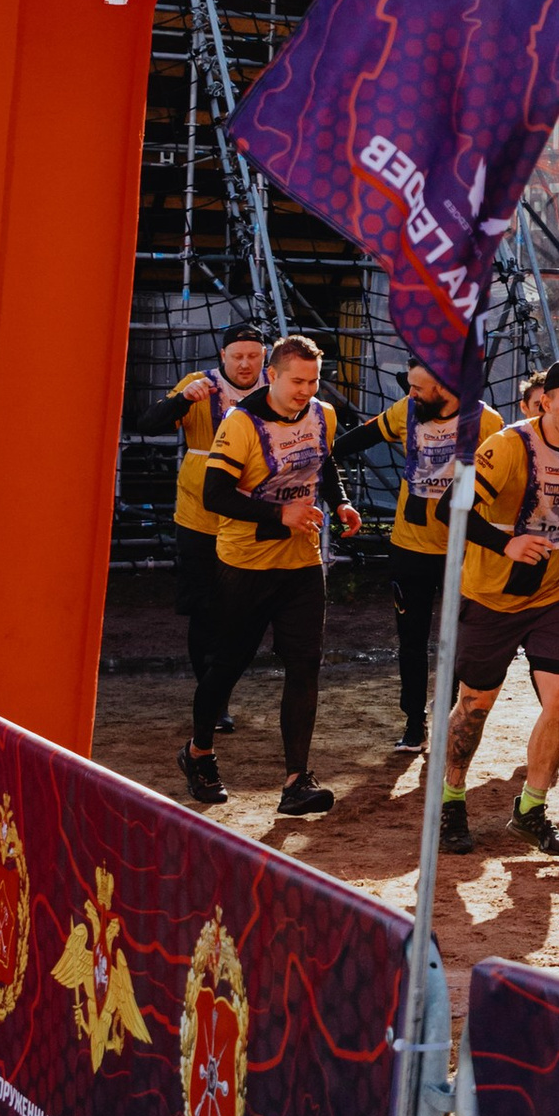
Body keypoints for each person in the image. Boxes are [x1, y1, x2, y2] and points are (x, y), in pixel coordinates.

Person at [182, 333, 362, 816]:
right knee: (229, 665)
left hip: (301, 563)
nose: (305, 390)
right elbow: (214, 494)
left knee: (304, 665)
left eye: (313, 381)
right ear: (273, 375)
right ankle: (199, 753)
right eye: (296, 381)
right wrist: (278, 516)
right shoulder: (241, 423)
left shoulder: (323, 414)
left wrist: (340, 502)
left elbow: (322, 466)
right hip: (245, 564)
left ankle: (297, 781)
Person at [435, 359, 559, 857]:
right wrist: (504, 543)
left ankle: (531, 811)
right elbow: (448, 507)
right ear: (545, 401)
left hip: (557, 593)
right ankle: (451, 799)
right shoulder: (508, 446)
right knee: (475, 706)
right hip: (492, 597)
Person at [342, 362, 504, 754]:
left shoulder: (487, 421)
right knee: (411, 640)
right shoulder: (406, 411)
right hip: (409, 547)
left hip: (461, 550)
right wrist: (318, 457)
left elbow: (502, 476)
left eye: (418, 387)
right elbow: (357, 438)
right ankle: (413, 723)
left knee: (455, 641)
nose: (411, 394)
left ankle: (444, 715)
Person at [156, 327, 266, 723]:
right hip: (199, 517)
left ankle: (223, 690)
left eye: (253, 356)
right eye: (237, 355)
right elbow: (149, 422)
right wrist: (182, 400)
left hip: (253, 517)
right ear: (223, 355)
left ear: (264, 357)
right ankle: (212, 702)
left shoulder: (277, 389)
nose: (244, 364)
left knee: (243, 611)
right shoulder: (199, 384)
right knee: (204, 610)